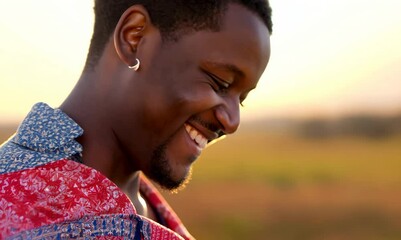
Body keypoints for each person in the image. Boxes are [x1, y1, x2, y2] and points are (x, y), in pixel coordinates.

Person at [0, 0, 272, 239]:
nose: (233, 122)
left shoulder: (140, 202)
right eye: (219, 83)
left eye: (242, 98)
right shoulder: (27, 215)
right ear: (135, 37)